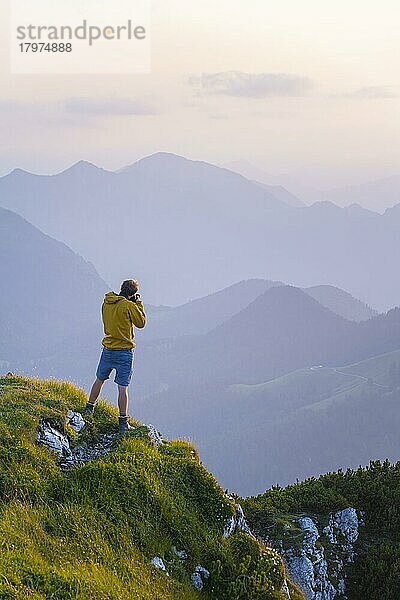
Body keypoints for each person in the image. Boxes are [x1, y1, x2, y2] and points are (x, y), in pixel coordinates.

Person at [84, 279, 147, 433]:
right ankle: (123, 422)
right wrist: (138, 304)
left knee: (99, 379)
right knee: (122, 388)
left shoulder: (107, 302)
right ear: (132, 294)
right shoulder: (129, 305)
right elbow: (141, 323)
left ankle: (89, 408)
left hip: (107, 348)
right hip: (124, 352)